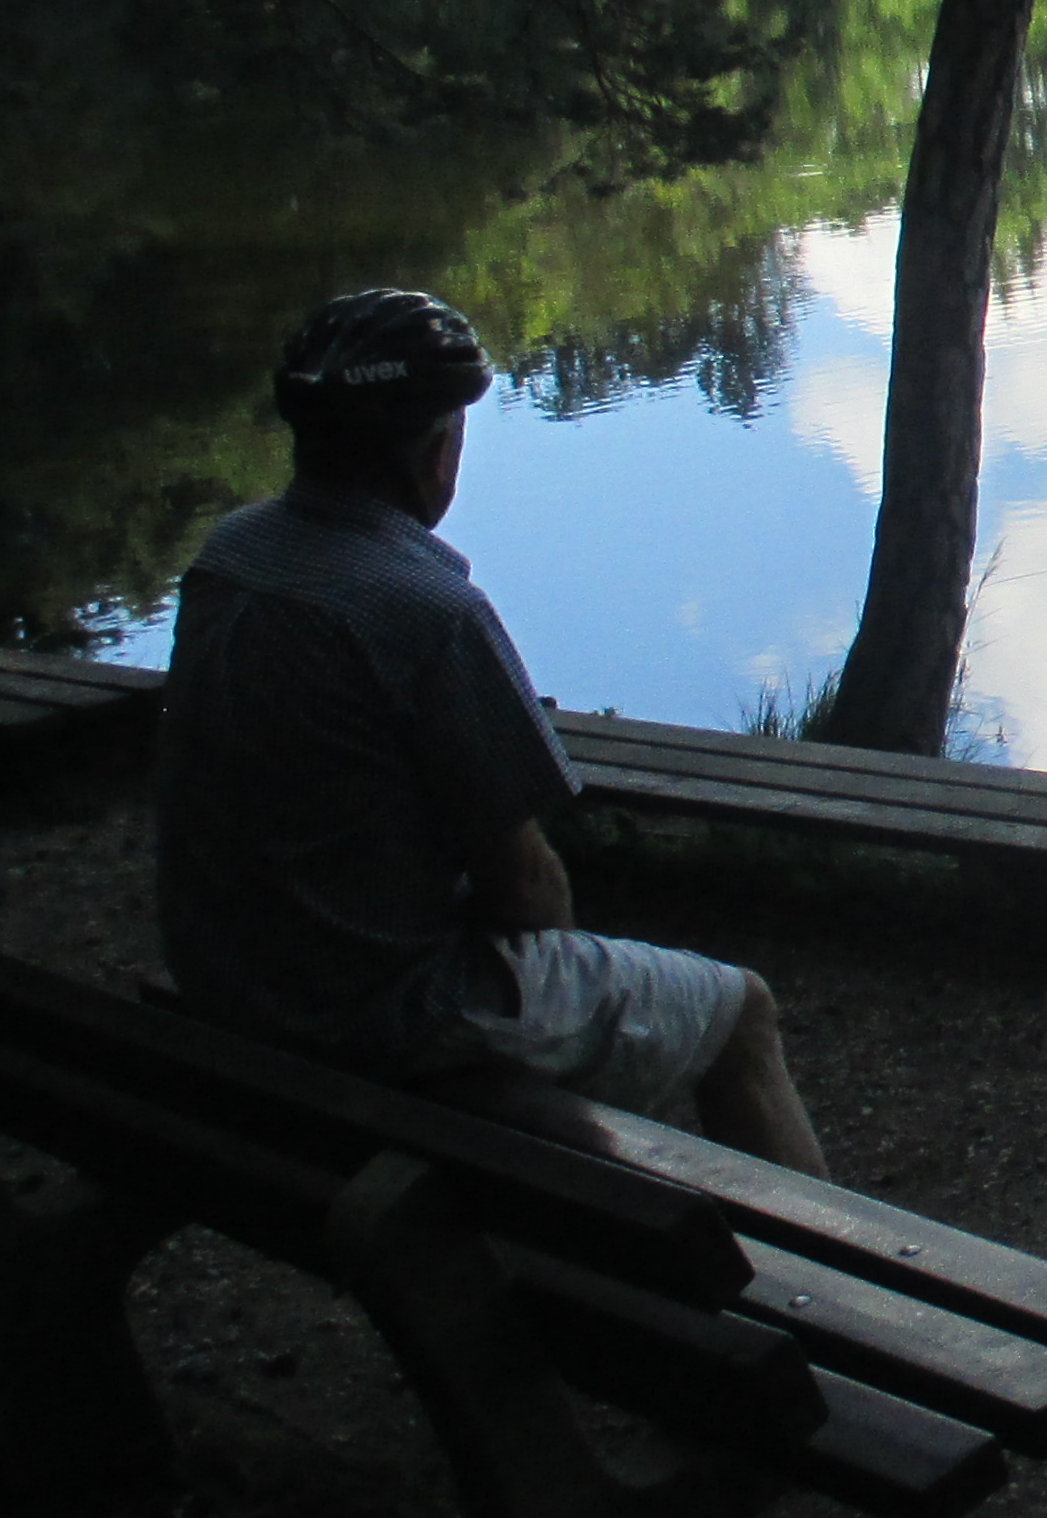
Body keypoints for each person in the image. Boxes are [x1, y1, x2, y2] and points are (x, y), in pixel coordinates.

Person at [157, 287, 829, 1174]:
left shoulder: (229, 559)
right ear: (436, 451)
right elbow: (529, 896)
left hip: (232, 980)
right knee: (739, 1011)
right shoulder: (426, 610)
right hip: (380, 1016)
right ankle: (835, 1282)